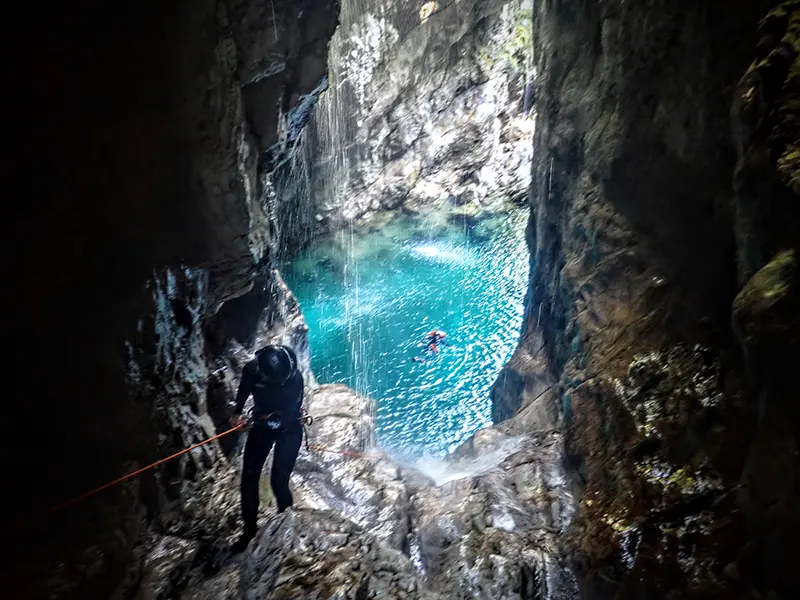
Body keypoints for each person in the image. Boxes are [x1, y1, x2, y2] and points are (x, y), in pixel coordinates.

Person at [229, 344, 304, 553]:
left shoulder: (295, 379)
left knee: (278, 481)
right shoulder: (253, 370)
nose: (280, 384)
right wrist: (237, 412)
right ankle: (249, 532)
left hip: (289, 429)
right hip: (262, 426)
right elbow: (244, 389)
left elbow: (288, 415)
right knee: (249, 479)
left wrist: (263, 421)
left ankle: (285, 529)